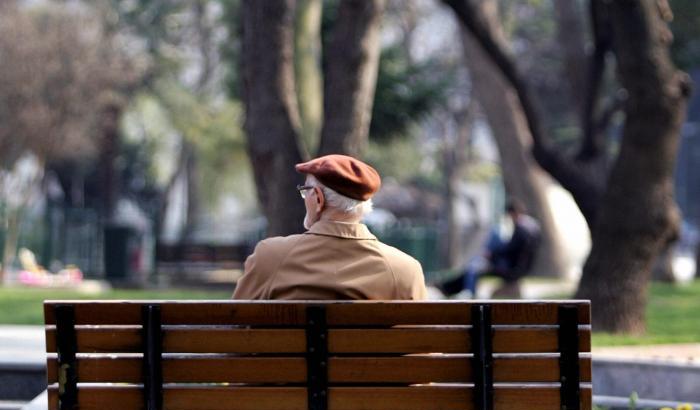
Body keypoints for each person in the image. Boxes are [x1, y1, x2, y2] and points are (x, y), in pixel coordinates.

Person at [233, 154, 427, 300]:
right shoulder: (405, 270)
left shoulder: (270, 257)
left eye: (306, 191)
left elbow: (235, 329)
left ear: (318, 198)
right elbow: (422, 350)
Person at [440, 198, 541, 298]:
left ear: (513, 213)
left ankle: (459, 290)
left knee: (473, 268)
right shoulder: (532, 226)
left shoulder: (521, 230)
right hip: (519, 266)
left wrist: (492, 254)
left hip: (511, 268)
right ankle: (448, 287)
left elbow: (510, 249)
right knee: (473, 267)